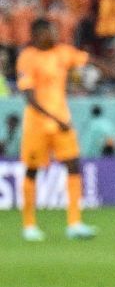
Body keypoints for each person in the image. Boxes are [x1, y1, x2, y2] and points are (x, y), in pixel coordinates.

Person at [14, 18, 96, 241]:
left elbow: (89, 60)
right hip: (37, 124)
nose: (53, 35)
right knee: (32, 170)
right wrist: (56, 119)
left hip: (62, 121)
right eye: (49, 32)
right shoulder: (27, 58)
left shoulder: (62, 52)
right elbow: (29, 98)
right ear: (37, 34)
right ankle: (29, 225)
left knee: (73, 165)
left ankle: (74, 223)